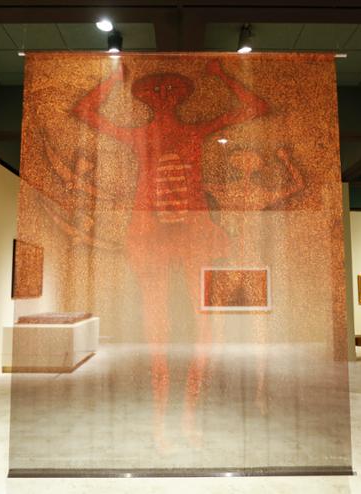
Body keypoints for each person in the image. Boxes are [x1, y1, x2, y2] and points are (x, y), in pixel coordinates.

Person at [73, 59, 269, 449]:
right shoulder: (141, 136)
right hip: (150, 234)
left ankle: (188, 418)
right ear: (143, 98)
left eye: (171, 89)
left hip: (193, 233)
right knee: (158, 329)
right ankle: (161, 424)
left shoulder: (191, 132)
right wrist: (113, 78)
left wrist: (222, 74)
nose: (163, 95)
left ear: (183, 95)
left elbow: (256, 108)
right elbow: (84, 112)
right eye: (155, 90)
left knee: (204, 326)